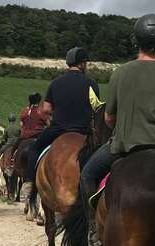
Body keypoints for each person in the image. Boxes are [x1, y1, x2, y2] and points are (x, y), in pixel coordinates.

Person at [80, 14, 155, 246]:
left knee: (87, 174)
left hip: (123, 146)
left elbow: (108, 117)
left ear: (136, 41)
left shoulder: (120, 73)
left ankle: (92, 230)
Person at [21, 47, 100, 197]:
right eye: (86, 63)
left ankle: (29, 182)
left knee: (35, 149)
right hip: (83, 131)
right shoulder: (92, 84)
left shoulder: (56, 83)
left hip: (59, 129)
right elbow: (96, 109)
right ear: (82, 64)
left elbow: (45, 109)